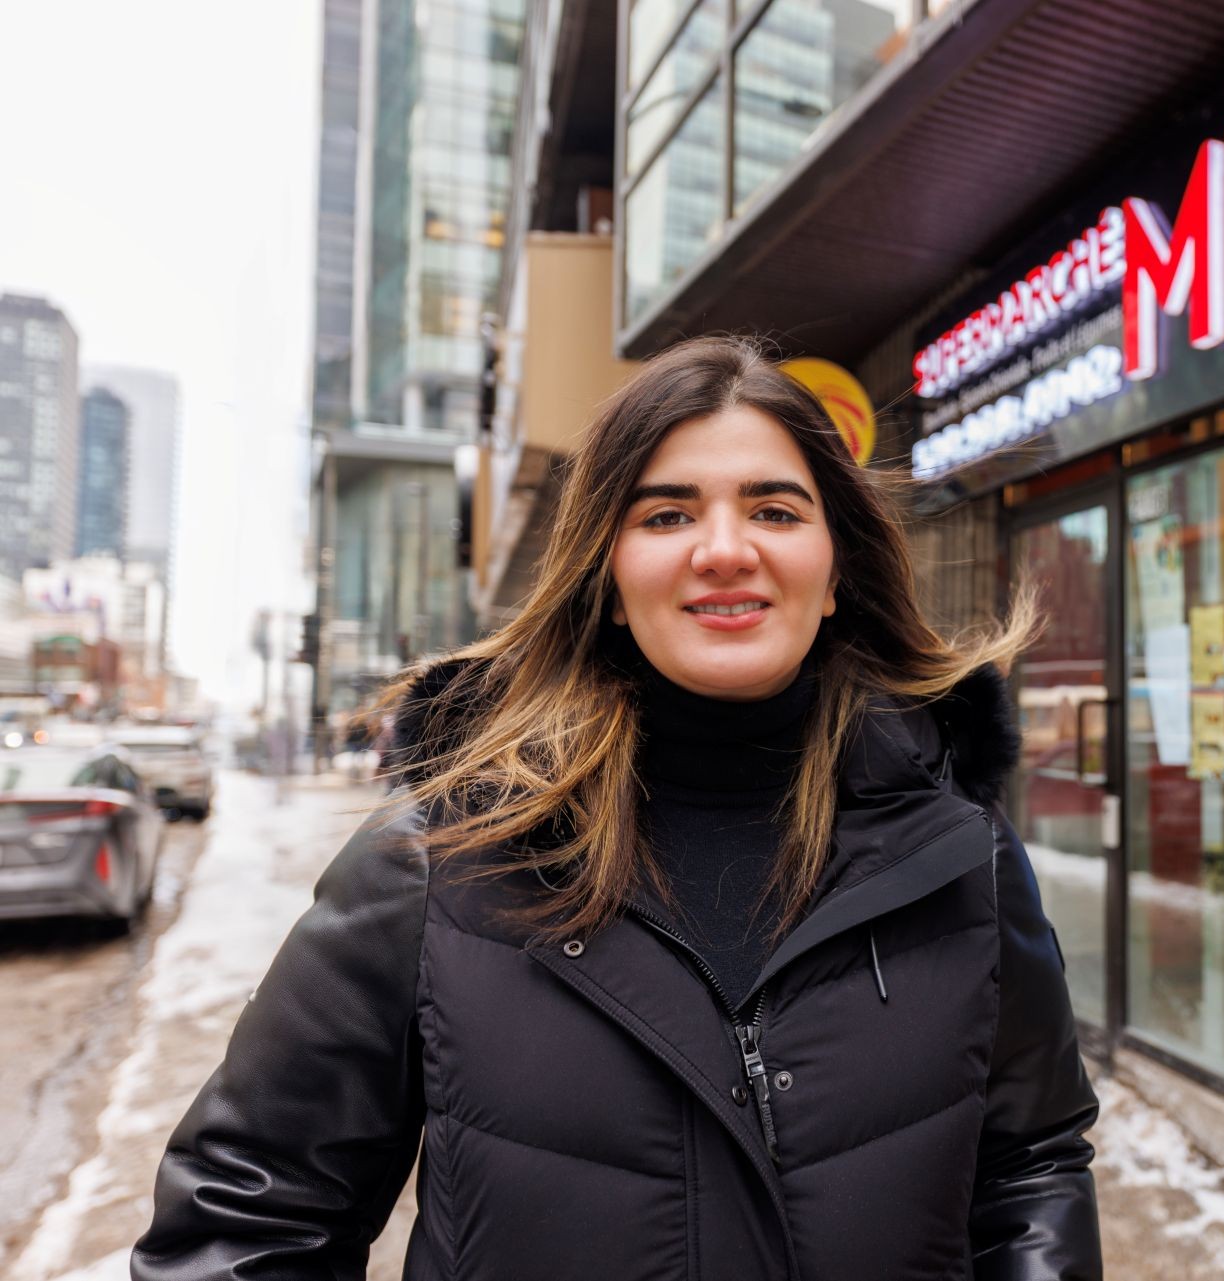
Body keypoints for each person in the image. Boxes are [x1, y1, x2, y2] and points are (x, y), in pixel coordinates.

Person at [131, 336, 1102, 1280]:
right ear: (608, 577)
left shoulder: (958, 847)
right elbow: (242, 1223)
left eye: (773, 509)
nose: (725, 551)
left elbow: (1031, 1165)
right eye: (667, 516)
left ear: (837, 568)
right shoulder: (434, 864)